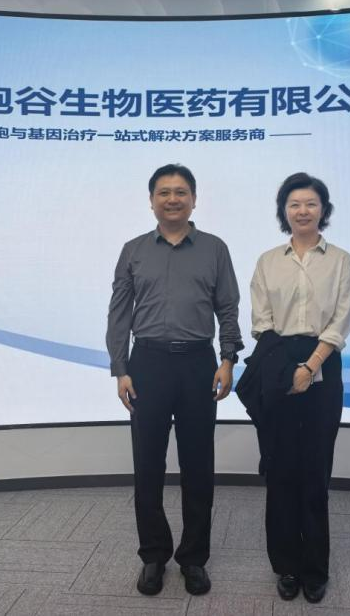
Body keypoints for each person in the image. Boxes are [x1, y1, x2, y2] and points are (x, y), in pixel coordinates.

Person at [106, 163, 243, 597]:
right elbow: (119, 315)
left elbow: (228, 308)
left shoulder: (215, 249)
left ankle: (194, 558)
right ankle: (153, 555)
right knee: (147, 465)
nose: (172, 199)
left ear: (194, 200)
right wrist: (121, 369)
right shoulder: (133, 250)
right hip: (147, 363)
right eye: (163, 192)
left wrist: (228, 359)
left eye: (180, 192)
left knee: (198, 465)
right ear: (151, 201)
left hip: (199, 364)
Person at [248, 172, 350, 603]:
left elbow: (340, 322)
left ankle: (314, 568)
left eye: (311, 203)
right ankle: (286, 566)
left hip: (323, 363)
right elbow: (261, 322)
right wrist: (286, 372)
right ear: (284, 211)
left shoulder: (341, 261)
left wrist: (309, 368)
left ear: (323, 210)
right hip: (276, 361)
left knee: (314, 471)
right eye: (294, 204)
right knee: (279, 470)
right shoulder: (267, 261)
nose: (302, 211)